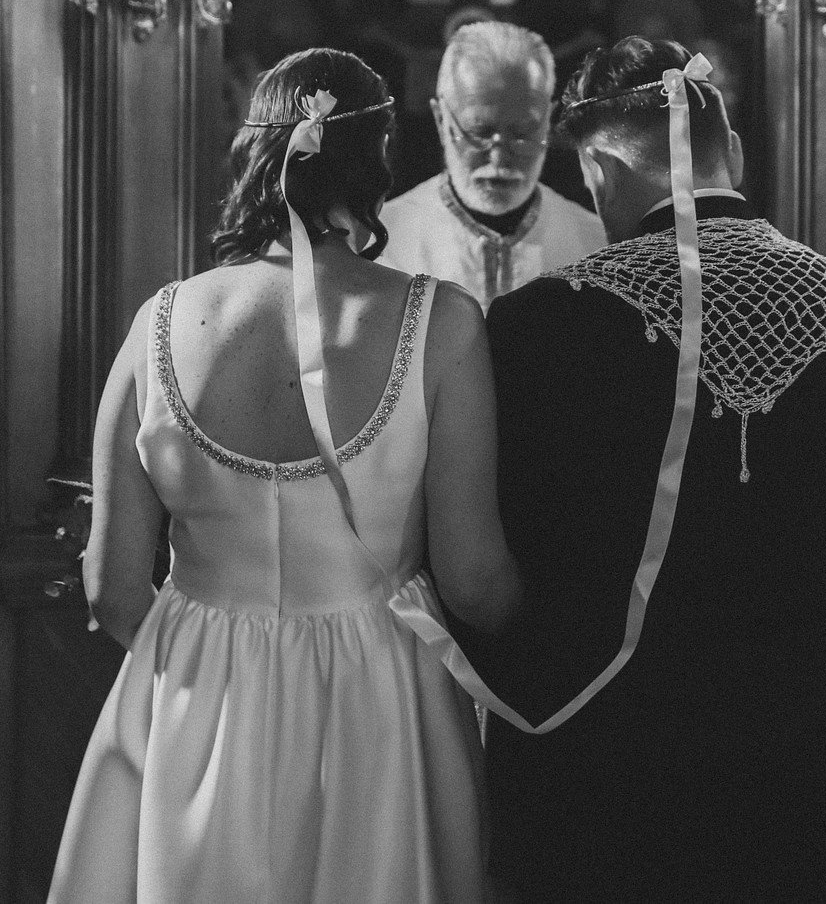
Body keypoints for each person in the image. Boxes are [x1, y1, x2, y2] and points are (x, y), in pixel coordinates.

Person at [412, 36, 826, 904]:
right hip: (807, 769)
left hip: (610, 778)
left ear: (597, 169)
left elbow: (500, 557)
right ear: (734, 153)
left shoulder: (538, 324)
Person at [48, 47, 520, 904]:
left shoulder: (159, 323)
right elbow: (474, 575)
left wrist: (220, 660)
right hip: (386, 701)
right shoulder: (441, 323)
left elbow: (111, 591)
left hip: (198, 703)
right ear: (379, 160)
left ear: (254, 157)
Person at [379, 20, 605, 310]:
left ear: (548, 120)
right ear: (440, 119)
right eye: (480, 132)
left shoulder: (595, 245)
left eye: (523, 132)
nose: (499, 158)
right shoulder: (384, 244)